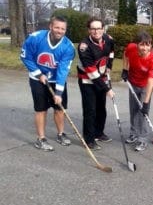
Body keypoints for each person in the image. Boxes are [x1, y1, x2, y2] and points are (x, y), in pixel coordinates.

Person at [20, 15, 75, 151]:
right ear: (50, 26)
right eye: (57, 27)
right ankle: (41, 138)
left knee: (59, 108)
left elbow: (63, 70)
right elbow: (25, 57)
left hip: (57, 79)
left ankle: (61, 134)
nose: (59, 31)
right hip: (37, 78)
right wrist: (38, 74)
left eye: (63, 29)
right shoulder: (35, 38)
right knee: (41, 109)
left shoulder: (68, 46)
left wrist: (58, 93)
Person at [77, 17, 115, 150]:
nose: (96, 31)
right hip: (87, 80)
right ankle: (89, 139)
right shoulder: (84, 47)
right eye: (93, 29)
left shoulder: (108, 39)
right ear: (89, 30)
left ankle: (99, 132)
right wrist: (107, 89)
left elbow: (111, 52)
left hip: (101, 78)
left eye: (98, 28)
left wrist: (109, 65)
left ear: (103, 29)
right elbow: (91, 72)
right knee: (90, 110)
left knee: (101, 108)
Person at [121, 32, 153, 151]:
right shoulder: (131, 48)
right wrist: (125, 69)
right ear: (137, 45)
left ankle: (143, 139)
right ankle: (134, 133)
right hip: (133, 83)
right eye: (142, 45)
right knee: (133, 110)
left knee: (143, 113)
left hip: (144, 86)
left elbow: (151, 82)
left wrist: (146, 103)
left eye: (148, 45)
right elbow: (125, 55)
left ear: (151, 46)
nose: (145, 48)